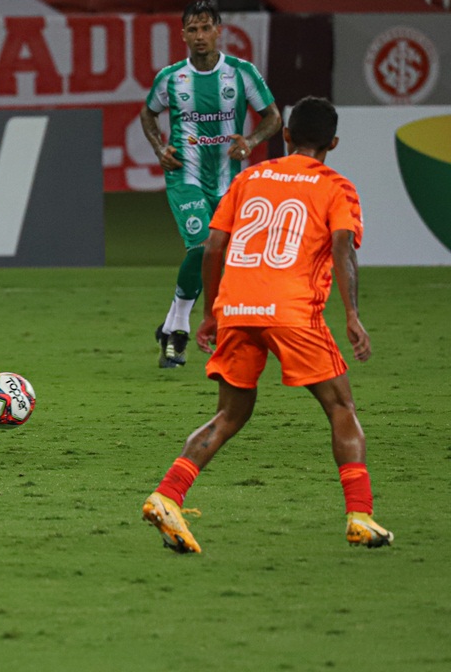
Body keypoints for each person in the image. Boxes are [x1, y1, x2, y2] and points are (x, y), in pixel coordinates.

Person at [142, 96, 393, 553]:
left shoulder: (249, 178)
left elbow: (213, 247)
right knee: (341, 408)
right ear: (333, 143)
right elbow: (343, 251)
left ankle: (167, 495)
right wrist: (353, 315)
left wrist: (213, 312)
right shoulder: (336, 186)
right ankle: (360, 516)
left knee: (230, 413)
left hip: (237, 307)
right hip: (293, 309)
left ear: (287, 136)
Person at [140, 0, 282, 369]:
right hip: (184, 176)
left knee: (218, 257)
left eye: (206, 28)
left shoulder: (241, 73)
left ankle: (169, 327)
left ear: (219, 31)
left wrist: (249, 142)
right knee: (204, 247)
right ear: (183, 34)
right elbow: (148, 113)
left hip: (228, 181)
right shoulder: (171, 77)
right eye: (193, 29)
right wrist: (159, 149)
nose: (200, 36)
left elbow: (273, 118)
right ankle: (181, 332)